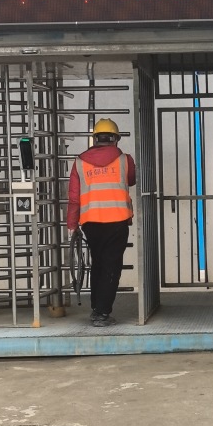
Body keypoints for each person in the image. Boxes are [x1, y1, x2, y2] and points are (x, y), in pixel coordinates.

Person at [66, 118, 136, 327]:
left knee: (97, 263)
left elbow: (74, 198)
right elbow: (132, 179)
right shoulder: (125, 160)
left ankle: (96, 307)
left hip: (91, 223)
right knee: (111, 266)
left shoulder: (79, 162)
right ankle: (102, 313)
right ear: (116, 139)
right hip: (117, 221)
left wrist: (72, 225)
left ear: (95, 139)